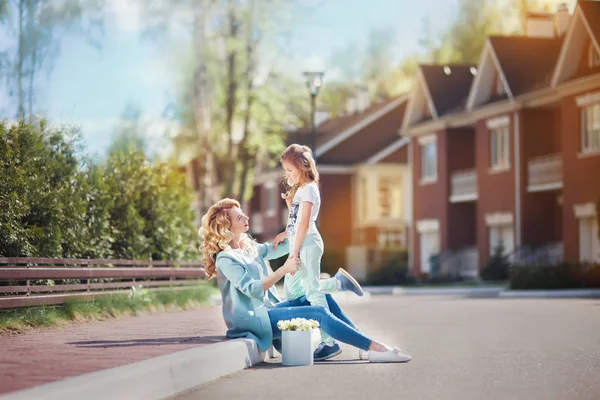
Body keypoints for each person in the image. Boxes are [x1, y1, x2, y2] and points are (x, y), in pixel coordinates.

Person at [199, 198, 411, 363]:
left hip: (268, 310)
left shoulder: (249, 247)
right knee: (317, 312)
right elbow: (252, 290)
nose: (246, 218)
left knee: (319, 298)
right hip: (253, 320)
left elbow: (284, 247)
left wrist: (294, 231)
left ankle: (364, 345)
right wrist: (284, 269)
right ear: (227, 227)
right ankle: (376, 348)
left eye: (243, 214)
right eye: (239, 217)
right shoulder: (226, 259)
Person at [272, 143, 363, 360]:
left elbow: (305, 223)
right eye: (285, 170)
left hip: (308, 245)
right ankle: (337, 283)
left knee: (312, 292)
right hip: (299, 244)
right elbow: (295, 223)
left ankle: (329, 343)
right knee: (294, 293)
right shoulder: (300, 190)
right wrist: (284, 234)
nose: (287, 175)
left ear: (303, 167)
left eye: (290, 170)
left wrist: (293, 253)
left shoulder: (310, 189)